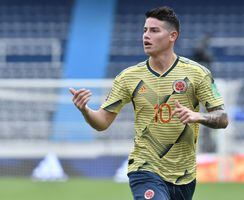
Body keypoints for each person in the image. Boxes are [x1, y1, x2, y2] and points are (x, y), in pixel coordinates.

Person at [70, 6, 228, 200]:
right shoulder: (128, 77)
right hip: (144, 168)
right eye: (145, 30)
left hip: (184, 175)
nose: (146, 36)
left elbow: (223, 118)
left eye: (154, 30)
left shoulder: (198, 73)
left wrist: (199, 116)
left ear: (172, 36)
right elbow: (102, 122)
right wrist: (85, 110)